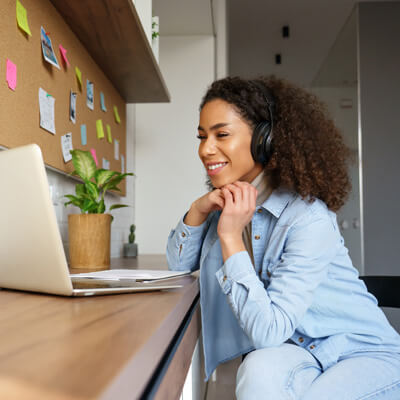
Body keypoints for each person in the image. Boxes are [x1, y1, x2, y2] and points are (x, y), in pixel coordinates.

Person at [166, 76, 400, 399]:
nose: (206, 149)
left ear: (263, 139)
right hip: (302, 351)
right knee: (258, 370)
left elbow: (267, 330)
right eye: (202, 136)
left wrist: (231, 237)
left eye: (221, 134)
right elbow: (179, 262)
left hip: (360, 352)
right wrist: (198, 210)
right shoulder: (230, 205)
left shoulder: (308, 218)